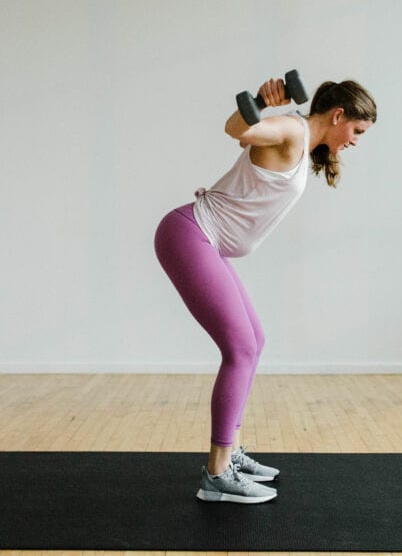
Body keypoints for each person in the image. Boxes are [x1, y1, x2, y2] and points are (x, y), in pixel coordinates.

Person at [154, 75, 377, 503]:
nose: (356, 141)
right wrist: (258, 100)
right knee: (239, 348)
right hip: (189, 235)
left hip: (204, 241)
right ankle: (217, 475)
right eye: (357, 131)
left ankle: (231, 451)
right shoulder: (293, 130)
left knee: (254, 342)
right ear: (338, 115)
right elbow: (237, 131)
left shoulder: (299, 140)